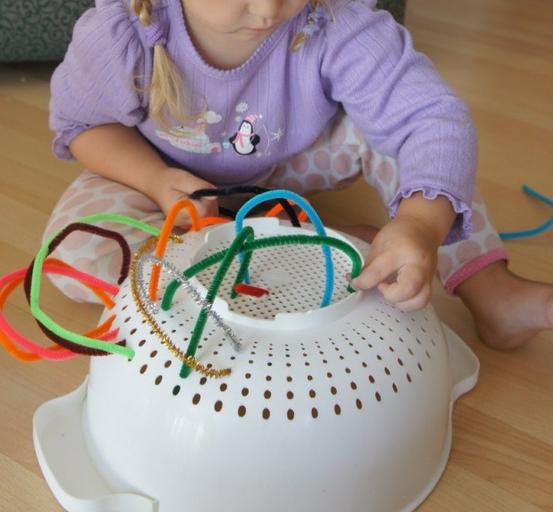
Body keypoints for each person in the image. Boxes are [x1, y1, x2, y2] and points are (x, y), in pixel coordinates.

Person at [46, 0, 552, 350]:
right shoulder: (122, 29)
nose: (268, 11)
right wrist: (156, 178)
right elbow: (83, 125)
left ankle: (493, 293)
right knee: (75, 254)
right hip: (153, 174)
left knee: (422, 153)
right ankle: (293, 248)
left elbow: (430, 118)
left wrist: (421, 224)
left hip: (289, 162)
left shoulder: (336, 19)